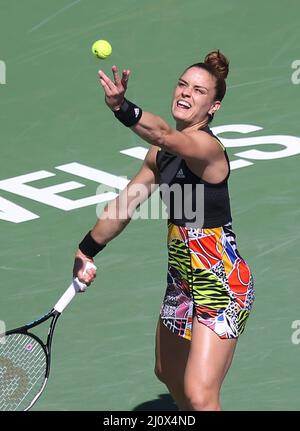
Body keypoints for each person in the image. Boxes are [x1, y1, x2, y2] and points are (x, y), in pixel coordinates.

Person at [73, 50, 255, 411]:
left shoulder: (206, 148)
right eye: (182, 85)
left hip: (221, 282)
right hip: (182, 281)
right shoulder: (160, 155)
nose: (186, 93)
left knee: (201, 395)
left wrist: (122, 108)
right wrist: (86, 249)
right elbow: (125, 205)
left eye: (199, 91)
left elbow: (167, 136)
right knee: (168, 373)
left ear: (213, 107)